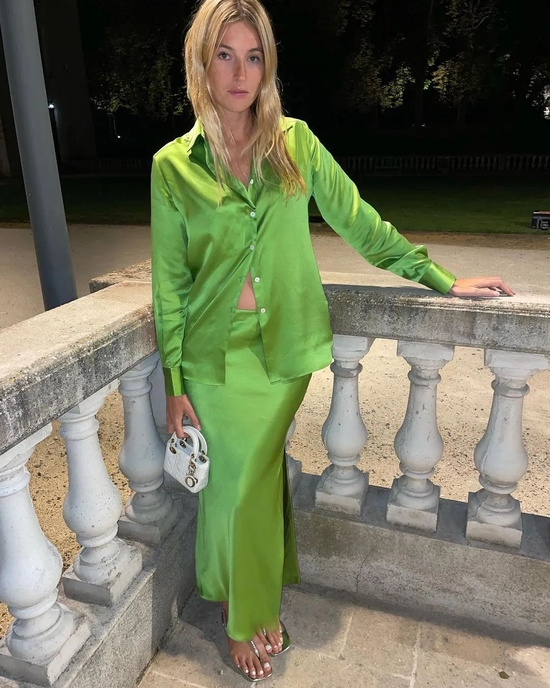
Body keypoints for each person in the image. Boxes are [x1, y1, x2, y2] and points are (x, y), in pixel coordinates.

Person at [150, 0, 514, 681]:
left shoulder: (295, 143)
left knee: (250, 479)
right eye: (225, 55)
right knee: (234, 484)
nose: (240, 73)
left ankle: (244, 611)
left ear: (268, 65)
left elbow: (359, 221)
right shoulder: (172, 166)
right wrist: (174, 383)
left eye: (253, 56)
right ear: (201, 64)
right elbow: (170, 283)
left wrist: (438, 276)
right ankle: (235, 589)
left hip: (282, 354)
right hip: (210, 359)